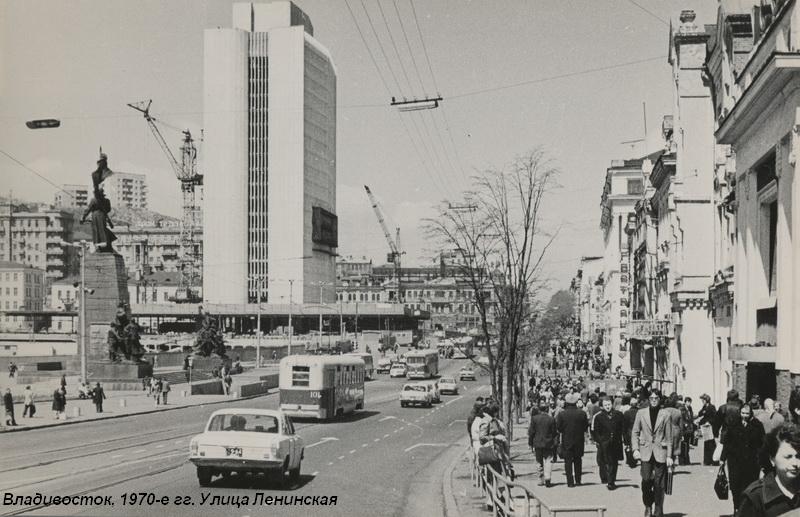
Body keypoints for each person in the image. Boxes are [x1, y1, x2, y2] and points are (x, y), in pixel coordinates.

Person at [738, 423, 800, 516]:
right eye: (788, 457)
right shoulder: (755, 497)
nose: (795, 463)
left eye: (798, 456)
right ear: (772, 459)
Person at [631, 389, 673, 517]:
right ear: (648, 399)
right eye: (651, 398)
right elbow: (635, 432)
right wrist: (635, 449)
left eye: (656, 398)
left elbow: (669, 437)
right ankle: (648, 506)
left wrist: (670, 456)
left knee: (659, 483)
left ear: (660, 400)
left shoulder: (665, 414)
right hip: (645, 451)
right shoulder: (641, 413)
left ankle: (658, 509)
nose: (654, 400)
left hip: (661, 452)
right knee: (646, 481)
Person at [721, 403, 766, 514]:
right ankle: (736, 508)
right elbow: (727, 443)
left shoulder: (757, 425)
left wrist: (763, 460)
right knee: (735, 486)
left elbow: (762, 443)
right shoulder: (733, 424)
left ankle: (747, 510)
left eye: (747, 413)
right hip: (735, 461)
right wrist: (723, 458)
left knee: (749, 486)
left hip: (751, 462)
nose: (744, 416)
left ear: (751, 413)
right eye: (742, 413)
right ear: (739, 413)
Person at [555, 392, 588, 487]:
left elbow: (559, 428)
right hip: (579, 440)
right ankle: (578, 480)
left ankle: (570, 481)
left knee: (568, 461)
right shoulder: (582, 413)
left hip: (566, 440)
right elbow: (585, 427)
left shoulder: (562, 414)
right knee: (578, 460)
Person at [594, 396, 624, 490]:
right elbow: (596, 431)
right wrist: (600, 441)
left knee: (614, 462)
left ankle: (612, 480)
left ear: (612, 404)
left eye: (609, 404)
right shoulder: (599, 417)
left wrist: (624, 440)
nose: (607, 407)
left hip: (616, 442)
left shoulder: (618, 414)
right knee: (607, 461)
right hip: (605, 442)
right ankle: (609, 480)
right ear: (602, 406)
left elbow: (623, 427)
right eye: (605, 405)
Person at [528, 397, 557, 487]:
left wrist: (530, 443)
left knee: (539, 461)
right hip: (548, 442)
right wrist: (555, 443)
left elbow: (531, 432)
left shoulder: (534, 419)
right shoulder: (551, 419)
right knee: (548, 460)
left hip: (537, 443)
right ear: (547, 409)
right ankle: (548, 477)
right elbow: (554, 432)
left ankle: (540, 479)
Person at [696, 393, 718, 466]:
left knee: (711, 444)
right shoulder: (704, 407)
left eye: (703, 400)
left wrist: (709, 422)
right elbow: (700, 414)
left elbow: (715, 417)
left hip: (710, 428)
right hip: (705, 428)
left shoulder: (712, 407)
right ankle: (707, 461)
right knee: (706, 444)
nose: (702, 401)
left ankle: (714, 461)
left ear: (707, 400)